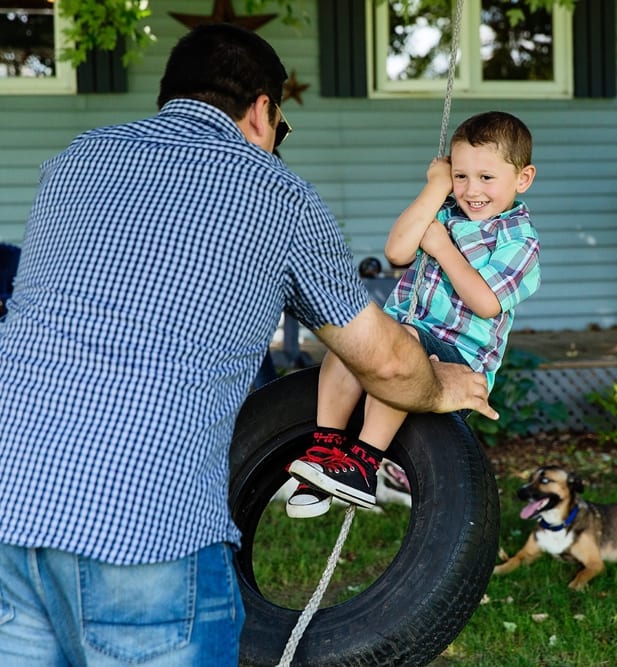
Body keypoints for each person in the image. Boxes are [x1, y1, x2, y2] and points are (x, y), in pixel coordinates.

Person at [0, 23, 496, 665]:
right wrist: (444, 383)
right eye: (282, 129)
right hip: (143, 531)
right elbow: (384, 362)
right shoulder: (278, 195)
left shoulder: (72, 163)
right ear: (263, 110)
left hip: (10, 507)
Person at [285, 111, 541, 516]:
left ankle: (364, 463)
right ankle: (325, 453)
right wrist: (435, 187)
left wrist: (442, 249)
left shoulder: (518, 240)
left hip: (461, 361)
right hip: (408, 335)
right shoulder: (442, 213)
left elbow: (486, 302)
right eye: (461, 176)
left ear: (522, 179)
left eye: (486, 178)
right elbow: (398, 252)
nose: (471, 189)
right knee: (353, 339)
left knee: (399, 344)